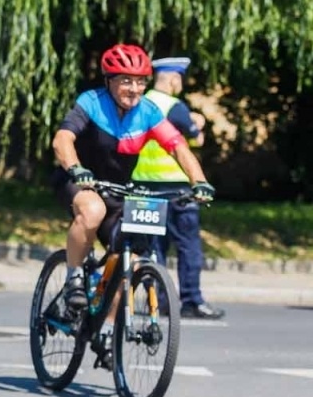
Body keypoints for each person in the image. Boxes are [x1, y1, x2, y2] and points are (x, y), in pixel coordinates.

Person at [50, 44, 215, 314]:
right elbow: (62, 139)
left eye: (140, 82)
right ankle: (74, 277)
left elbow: (177, 147)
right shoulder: (92, 102)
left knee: (127, 261)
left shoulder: (148, 111)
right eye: (126, 81)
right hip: (78, 180)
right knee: (93, 210)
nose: (135, 89)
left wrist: (199, 181)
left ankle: (107, 335)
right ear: (109, 81)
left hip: (118, 191)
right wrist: (76, 168)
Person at [133, 55, 224, 319]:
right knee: (188, 247)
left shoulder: (141, 103)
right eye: (180, 79)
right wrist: (197, 124)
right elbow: (195, 137)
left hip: (144, 187)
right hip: (176, 189)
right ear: (173, 79)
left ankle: (159, 301)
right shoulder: (174, 106)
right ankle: (191, 300)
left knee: (154, 249)